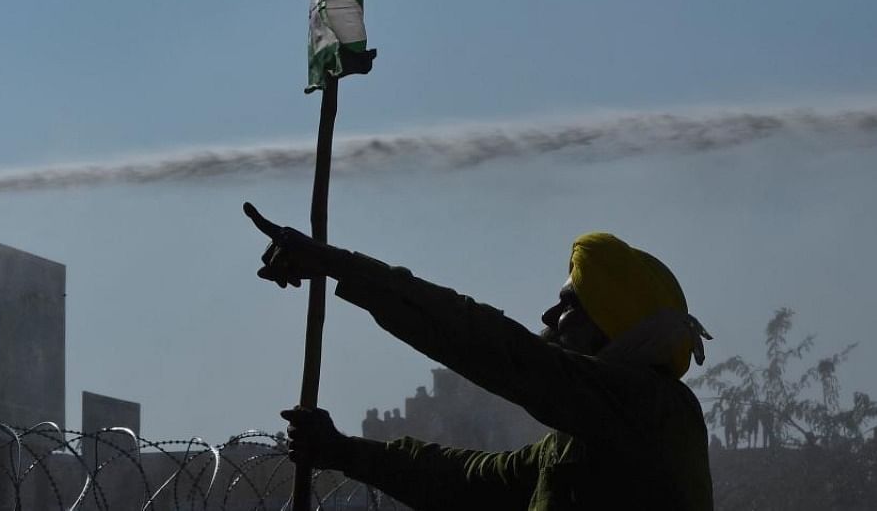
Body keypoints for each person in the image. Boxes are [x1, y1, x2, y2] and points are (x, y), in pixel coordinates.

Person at [243, 203, 714, 510]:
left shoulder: (654, 413)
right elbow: (468, 480)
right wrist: (343, 451)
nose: (549, 314)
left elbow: (497, 347)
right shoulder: (575, 443)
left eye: (570, 304)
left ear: (610, 327)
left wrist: (336, 265)